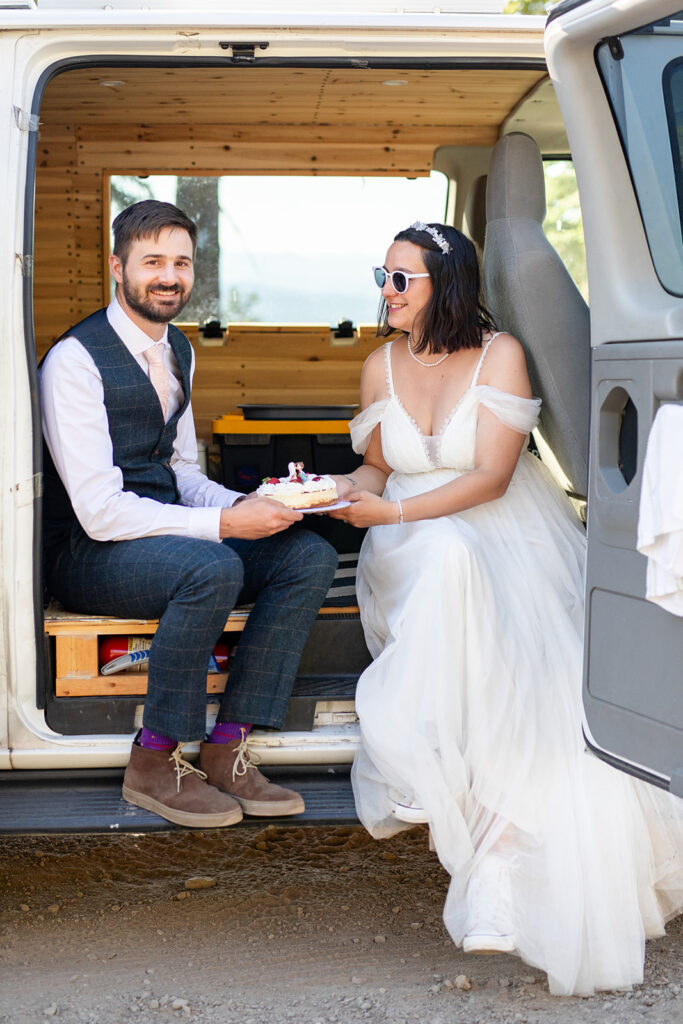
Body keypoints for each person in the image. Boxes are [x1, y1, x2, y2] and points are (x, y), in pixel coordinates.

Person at [328, 221, 683, 996]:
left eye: (400, 280)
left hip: (496, 528)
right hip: (411, 546)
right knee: (449, 564)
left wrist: (386, 514)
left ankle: (500, 872)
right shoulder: (377, 363)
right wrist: (328, 495)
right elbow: (377, 467)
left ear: (444, 284)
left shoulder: (501, 354)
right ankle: (425, 764)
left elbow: (491, 477)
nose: (384, 293)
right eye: (380, 275)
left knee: (532, 680)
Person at [40, 200, 337, 829]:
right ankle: (154, 760)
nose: (168, 276)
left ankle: (228, 743)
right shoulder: (74, 361)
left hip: (166, 533)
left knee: (307, 553)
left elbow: (183, 473)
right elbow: (98, 513)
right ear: (118, 269)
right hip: (89, 553)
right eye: (152, 262)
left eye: (180, 262)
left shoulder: (179, 349)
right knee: (211, 568)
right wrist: (226, 527)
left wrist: (251, 506)